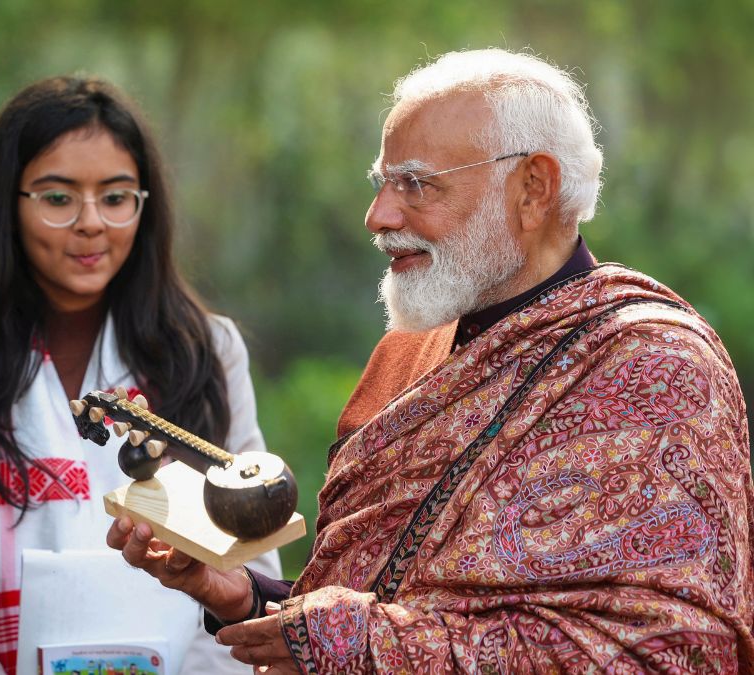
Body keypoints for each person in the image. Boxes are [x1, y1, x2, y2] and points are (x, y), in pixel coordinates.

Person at [109, 48, 754, 673]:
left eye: (416, 184)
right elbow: (375, 607)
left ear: (534, 188)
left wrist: (359, 643)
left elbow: (673, 652)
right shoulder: (408, 350)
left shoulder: (654, 364)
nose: (378, 216)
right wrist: (246, 597)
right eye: (383, 185)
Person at [0, 75, 281, 674]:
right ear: (8, 203)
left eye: (117, 196)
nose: (91, 223)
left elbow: (252, 557)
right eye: (57, 198)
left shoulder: (205, 352)